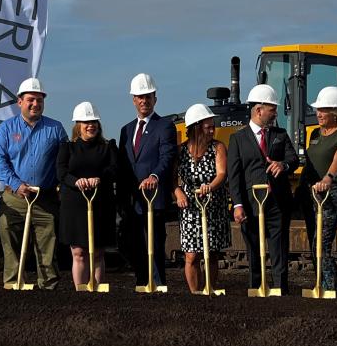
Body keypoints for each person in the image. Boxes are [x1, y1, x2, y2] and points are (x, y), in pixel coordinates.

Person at [0, 77, 68, 290]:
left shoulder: (55, 128)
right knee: (11, 244)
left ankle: (48, 286)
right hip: (15, 197)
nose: (35, 104)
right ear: (20, 102)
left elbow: (64, 161)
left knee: (47, 245)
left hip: (45, 198)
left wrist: (61, 183)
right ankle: (13, 284)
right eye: (31, 100)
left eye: (40, 100)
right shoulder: (7, 129)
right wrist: (16, 184)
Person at [227, 84, 299, 294]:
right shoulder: (237, 139)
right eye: (272, 108)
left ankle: (280, 289)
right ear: (259, 110)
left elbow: (293, 159)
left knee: (279, 247)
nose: (276, 112)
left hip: (278, 202)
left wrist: (283, 165)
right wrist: (237, 204)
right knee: (254, 248)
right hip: (251, 205)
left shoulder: (280, 134)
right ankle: (256, 289)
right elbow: (235, 175)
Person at [117, 73, 177, 289]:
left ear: (155, 98)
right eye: (140, 97)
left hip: (154, 198)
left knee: (155, 243)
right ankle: (142, 283)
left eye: (148, 96)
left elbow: (167, 157)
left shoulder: (165, 126)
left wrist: (155, 176)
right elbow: (125, 165)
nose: (144, 101)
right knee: (135, 245)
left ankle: (158, 285)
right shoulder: (126, 130)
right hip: (133, 201)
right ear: (134, 99)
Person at [299, 86, 337, 295]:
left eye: (323, 110)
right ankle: (326, 288)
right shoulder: (314, 133)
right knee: (314, 247)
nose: (318, 114)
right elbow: (310, 162)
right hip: (309, 193)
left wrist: (328, 179)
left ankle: (333, 291)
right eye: (318, 109)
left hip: (328, 194)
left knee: (322, 246)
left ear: (335, 112)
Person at [57, 102, 118, 290]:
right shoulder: (67, 147)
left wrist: (99, 178)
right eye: (86, 122)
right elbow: (61, 172)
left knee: (98, 251)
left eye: (94, 122)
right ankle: (80, 291)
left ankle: (97, 290)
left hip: (101, 203)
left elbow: (115, 169)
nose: (90, 125)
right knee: (79, 252)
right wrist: (76, 181)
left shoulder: (108, 146)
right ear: (78, 125)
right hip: (74, 205)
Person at [174, 103, 230, 293]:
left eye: (213, 125)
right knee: (191, 255)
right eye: (208, 126)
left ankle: (211, 289)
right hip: (190, 206)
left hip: (212, 204)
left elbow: (222, 173)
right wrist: (178, 192)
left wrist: (210, 187)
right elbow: (172, 179)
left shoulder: (218, 147)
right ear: (196, 128)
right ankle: (195, 293)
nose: (212, 130)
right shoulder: (180, 151)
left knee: (212, 253)